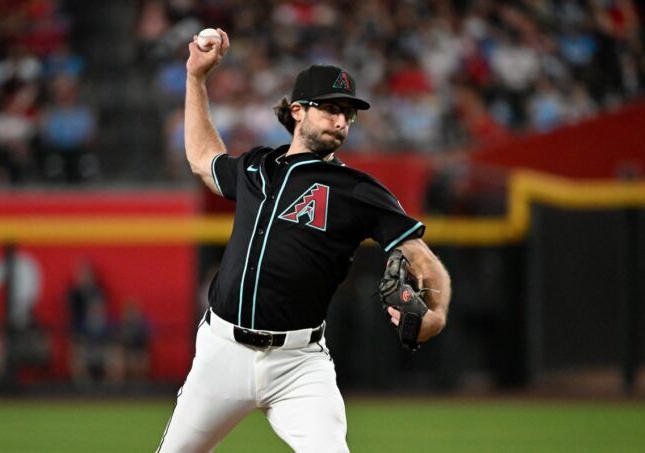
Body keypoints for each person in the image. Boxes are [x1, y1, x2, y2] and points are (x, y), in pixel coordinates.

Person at [157, 29, 452, 452]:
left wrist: (436, 313)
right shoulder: (257, 167)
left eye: (348, 113)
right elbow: (203, 159)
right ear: (297, 111)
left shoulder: (357, 189)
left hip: (298, 364)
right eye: (330, 108)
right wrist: (195, 79)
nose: (341, 121)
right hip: (222, 351)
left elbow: (418, 254)